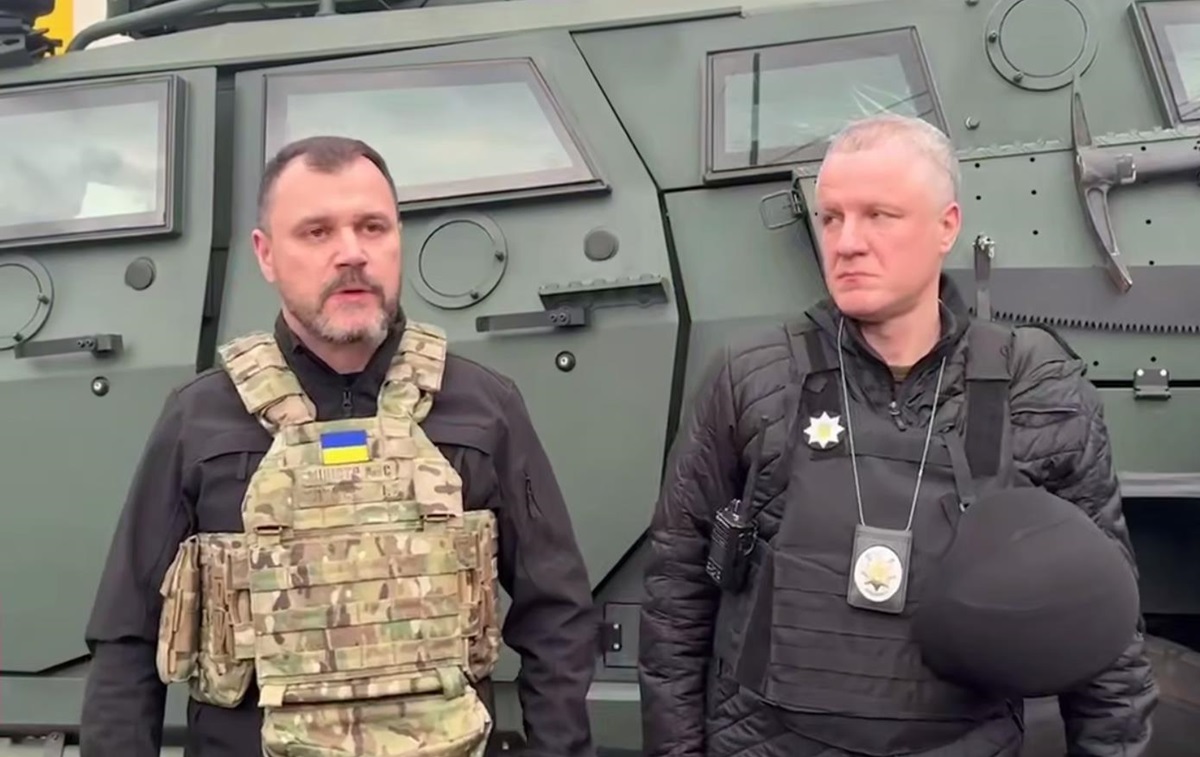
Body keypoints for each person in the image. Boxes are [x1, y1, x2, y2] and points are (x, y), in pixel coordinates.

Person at [637, 113, 1159, 757]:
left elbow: (1102, 625)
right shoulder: (751, 376)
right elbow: (676, 595)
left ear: (946, 226)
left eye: (879, 216)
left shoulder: (1034, 385)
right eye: (832, 218)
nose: (847, 242)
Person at [80, 135, 599, 757]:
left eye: (372, 227)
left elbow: (557, 616)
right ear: (266, 254)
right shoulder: (199, 419)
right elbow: (126, 636)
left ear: (398, 239)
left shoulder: (485, 408)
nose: (351, 253)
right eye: (317, 232)